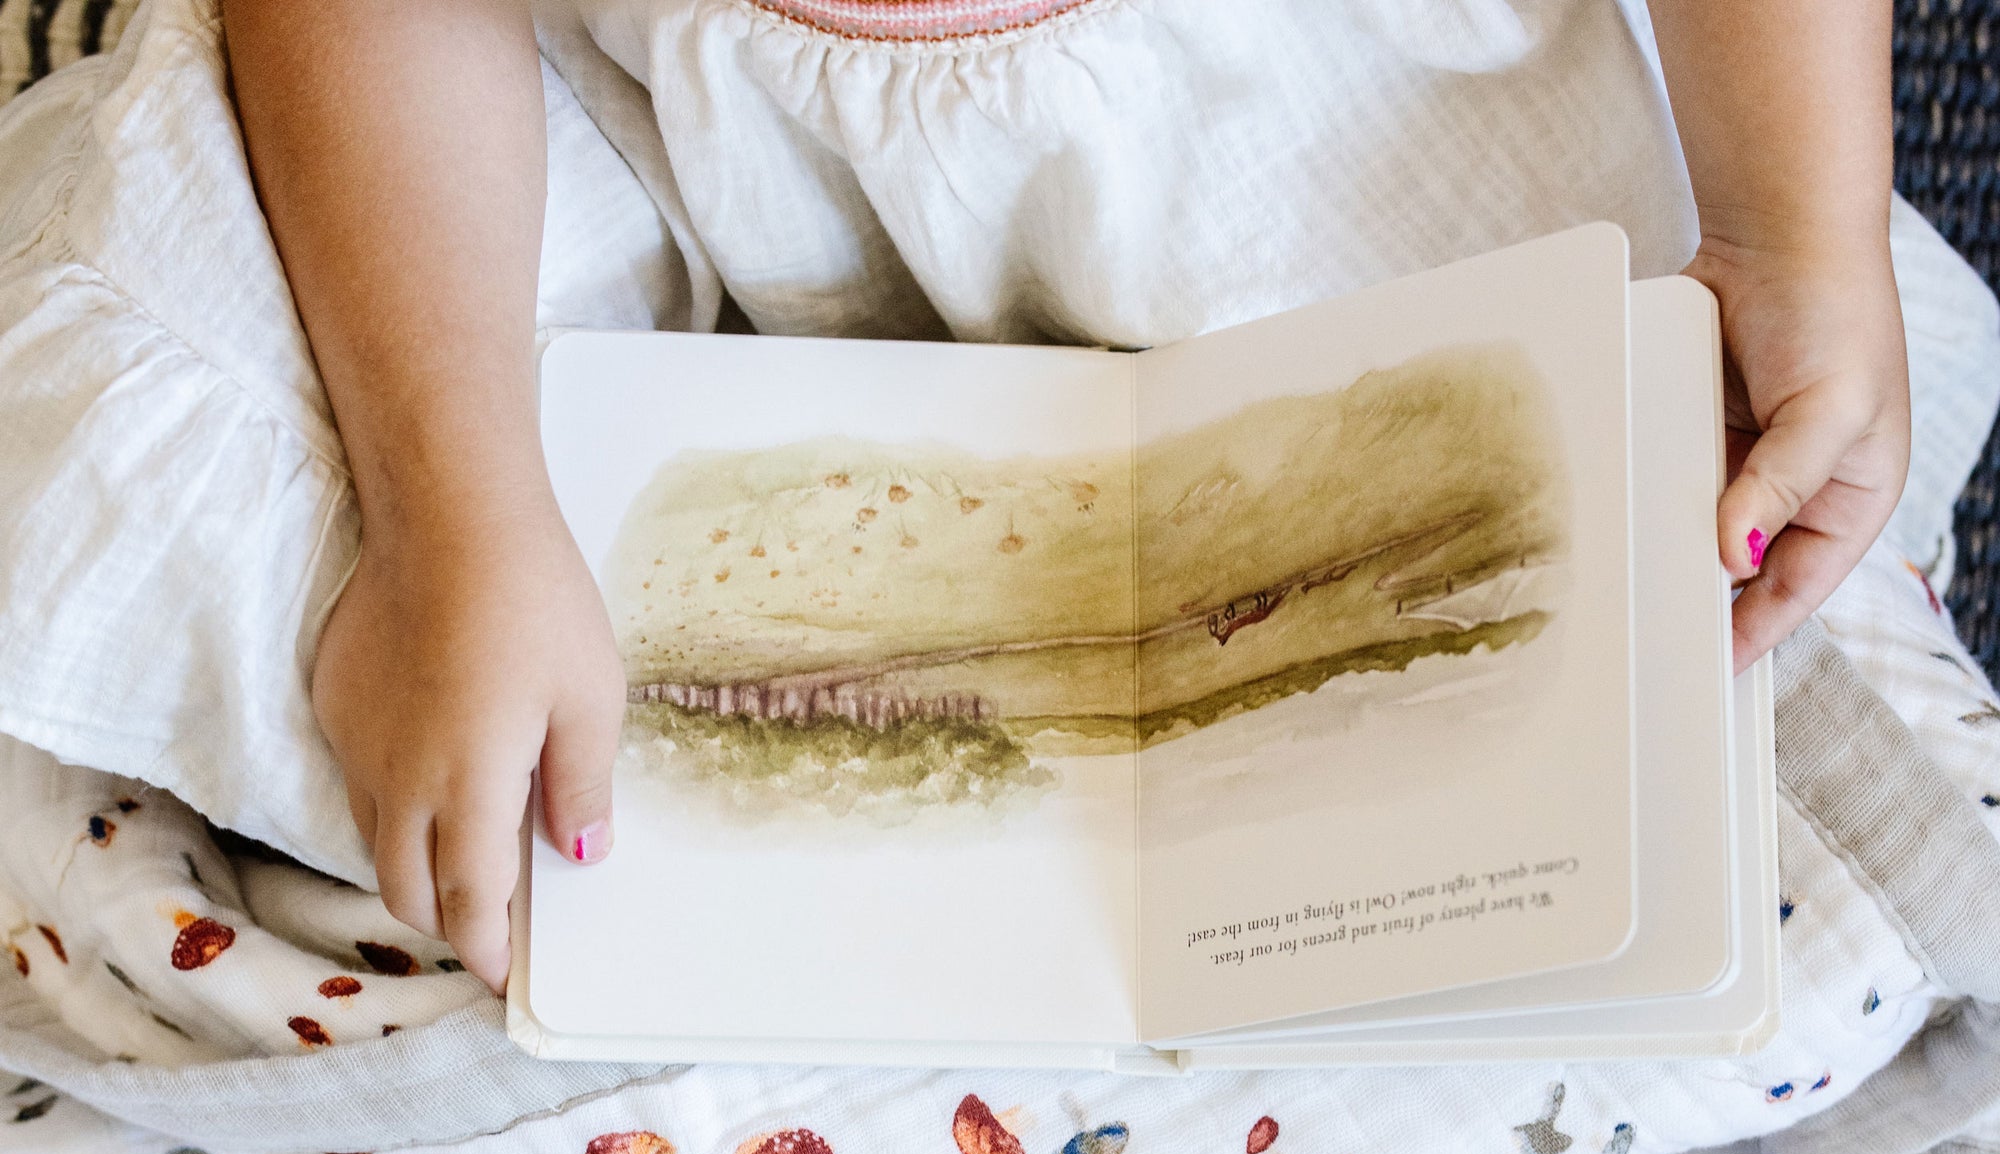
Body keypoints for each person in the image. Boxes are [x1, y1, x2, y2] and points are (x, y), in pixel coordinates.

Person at [59, 1, 1932, 992]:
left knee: (1614, 657)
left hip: (1313, 141)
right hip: (634, 144)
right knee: (171, 270)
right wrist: (450, 497)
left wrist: (1798, 225)